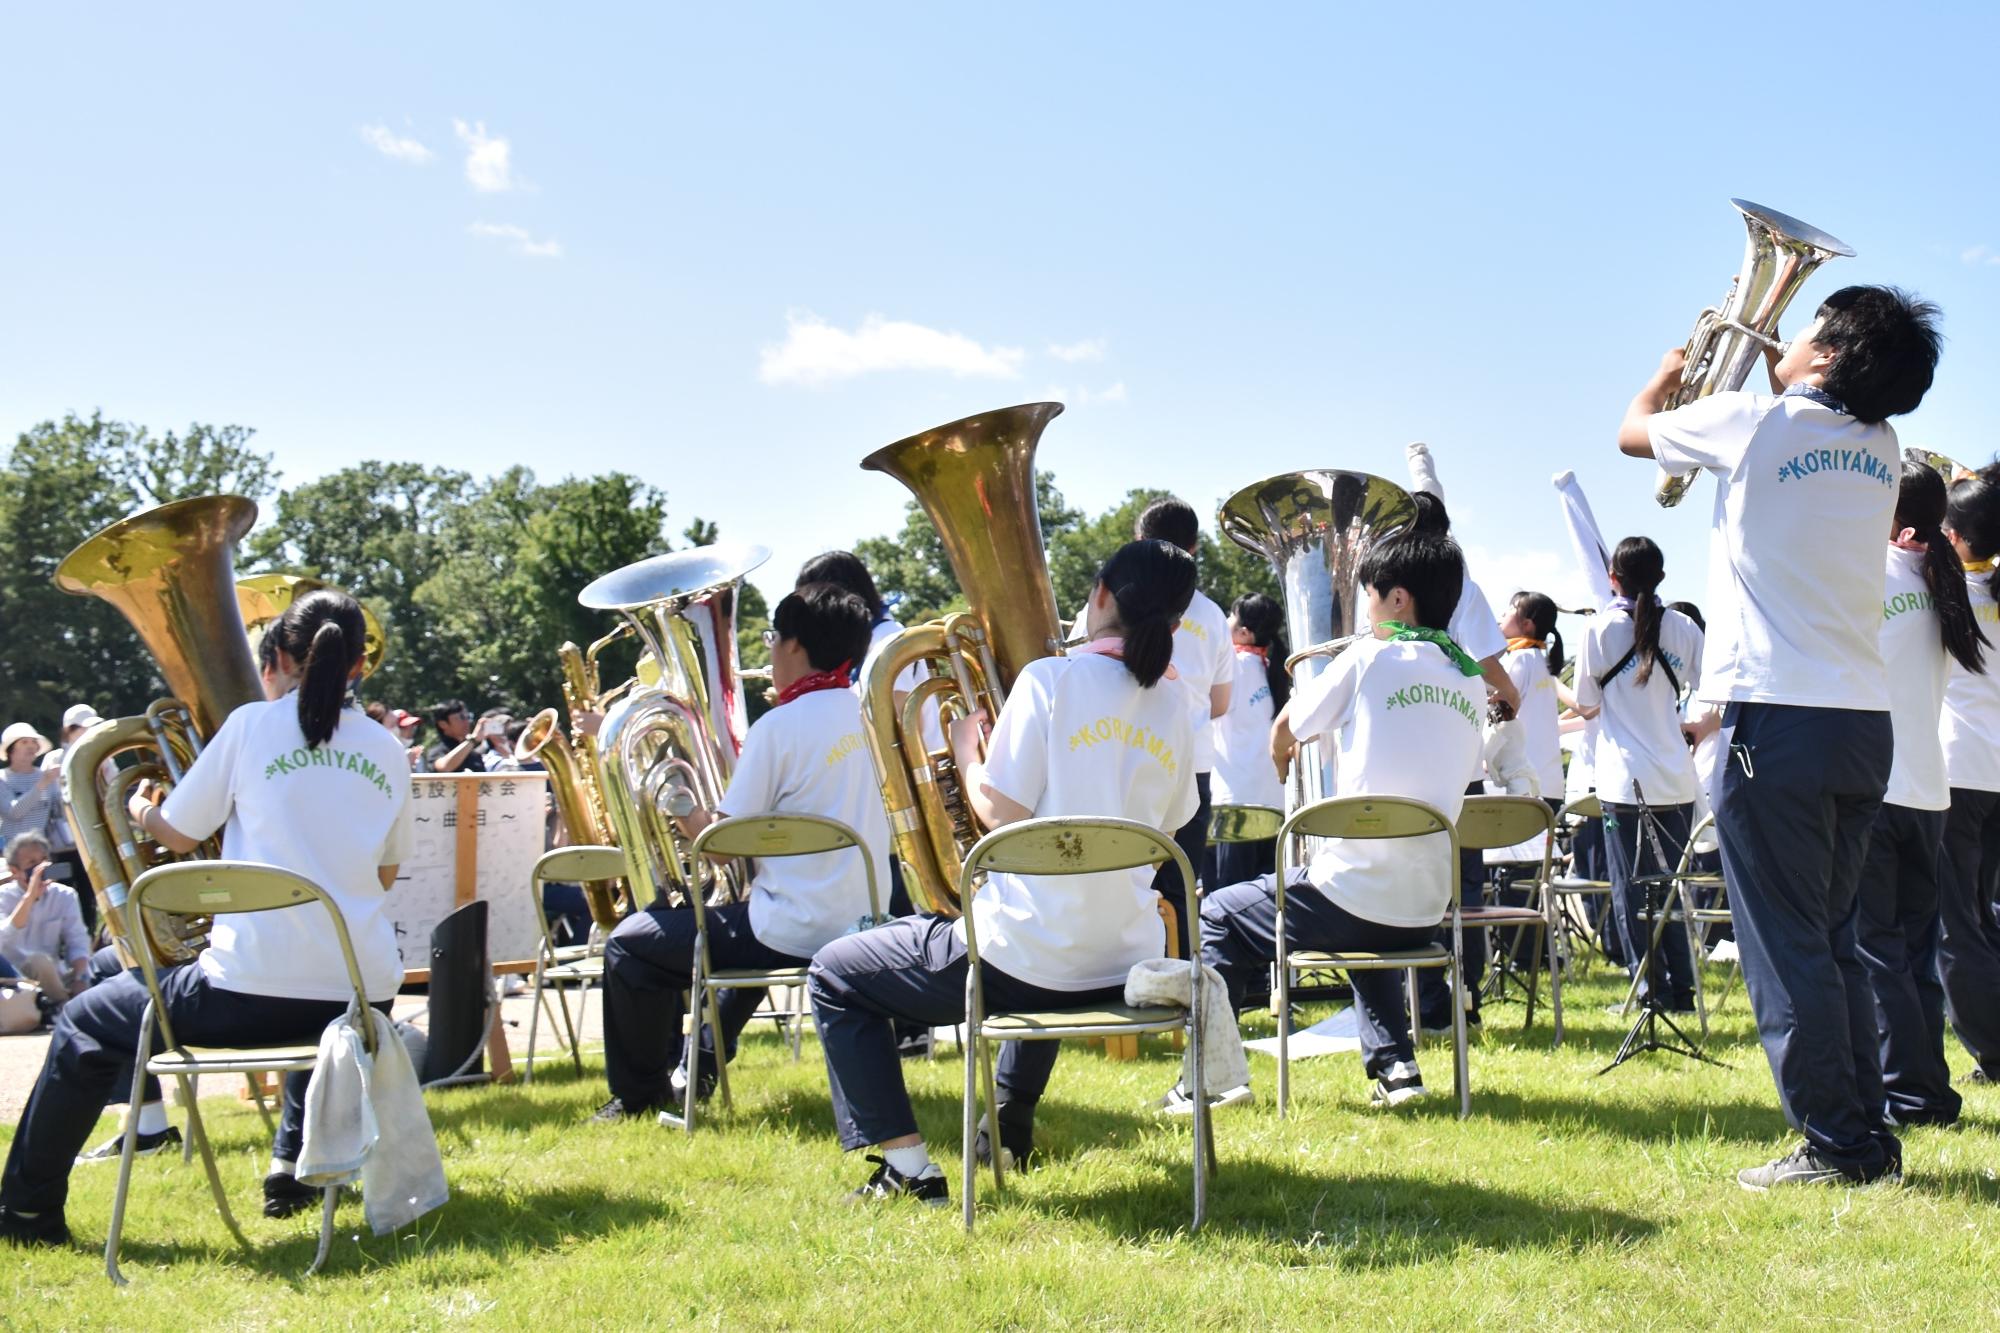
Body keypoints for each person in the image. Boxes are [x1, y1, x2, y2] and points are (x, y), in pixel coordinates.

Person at [1619, 283, 1942, 1191]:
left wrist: (1668, 376)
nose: (1784, 336)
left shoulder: (1751, 423)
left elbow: (1631, 432)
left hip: (1776, 718)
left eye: (1803, 329)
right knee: (1834, 938)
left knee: (1786, 944)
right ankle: (1865, 1134)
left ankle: (1837, 1144)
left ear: (1832, 355)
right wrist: (1772, 371)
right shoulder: (1884, 446)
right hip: (1860, 725)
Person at [0, 589, 414, 1247]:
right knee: (306, 957)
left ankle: (24, 1213)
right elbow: (384, 876)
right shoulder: (390, 749)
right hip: (363, 997)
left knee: (82, 1018)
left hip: (249, 995)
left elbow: (179, 834)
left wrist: (139, 809)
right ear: (358, 667)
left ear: (274, 657)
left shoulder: (250, 725)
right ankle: (295, 1169)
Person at [808, 538, 1198, 1204]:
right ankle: (1008, 1129)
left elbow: (997, 810)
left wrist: (966, 755)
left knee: (836, 973)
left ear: (1100, 594)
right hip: (1126, 959)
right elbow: (1172, 819)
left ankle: (905, 1169)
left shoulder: (1051, 680)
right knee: (1041, 927)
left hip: (1027, 963)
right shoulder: (1177, 703)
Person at [1191, 530, 1485, 1108]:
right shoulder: (1470, 678)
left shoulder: (1370, 655)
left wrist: (1281, 762)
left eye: (1367, 596)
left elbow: (1284, 730)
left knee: (1217, 914)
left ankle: (1213, 1076)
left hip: (1358, 899)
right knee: (1359, 903)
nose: (1364, 610)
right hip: (1426, 908)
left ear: (1398, 600)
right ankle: (1397, 1068)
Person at [590, 582, 889, 1123]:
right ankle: (691, 1067)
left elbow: (721, 850)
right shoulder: (873, 714)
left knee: (632, 944)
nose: (769, 651)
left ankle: (642, 1096)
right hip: (866, 919)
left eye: (773, 638)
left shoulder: (779, 727)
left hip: (791, 929)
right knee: (666, 930)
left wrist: (673, 794)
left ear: (795, 646)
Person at [1859, 462, 1988, 1128]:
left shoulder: (1874, 573)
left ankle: (1908, 1092)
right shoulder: (1945, 582)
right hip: (1929, 792)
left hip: (1880, 789)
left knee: (1880, 950)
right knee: (1916, 953)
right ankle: (1929, 1091)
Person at [1572, 538, 1704, 1012]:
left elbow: (1588, 703)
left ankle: (1650, 990)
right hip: (1676, 776)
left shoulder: (1599, 629)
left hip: (1623, 779)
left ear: (1613, 578)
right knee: (1668, 887)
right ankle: (1683, 991)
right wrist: (1691, 728)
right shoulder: (1686, 627)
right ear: (1661, 577)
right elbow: (1711, 694)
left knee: (1631, 891)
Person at [1133, 498, 1233, 959]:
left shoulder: (1118, 600)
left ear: (1138, 543)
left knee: (1123, 876)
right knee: (1181, 884)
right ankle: (1182, 989)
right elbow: (1221, 702)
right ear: (1194, 547)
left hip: (1126, 759)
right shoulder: (1213, 615)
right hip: (1192, 765)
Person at [1936, 463, 2000, 1087]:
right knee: (1985, 915)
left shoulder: (1946, 595)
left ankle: (1993, 1050)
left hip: (1958, 772)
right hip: (1997, 775)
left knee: (1960, 925)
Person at [1208, 593, 1289, 885]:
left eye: (1231, 614)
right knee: (1260, 901)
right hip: (1272, 804)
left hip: (1236, 804)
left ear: (1244, 632)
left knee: (1225, 902)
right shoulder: (1269, 669)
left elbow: (1200, 708)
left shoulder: (1233, 667)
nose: (1226, 621)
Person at [0, 832, 92, 1006]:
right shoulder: (3, 897)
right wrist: (29, 897)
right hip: (16, 979)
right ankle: (63, 1005)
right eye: (32, 863)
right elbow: (4, 939)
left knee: (98, 965)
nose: (41, 868)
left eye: (43, 860)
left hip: (55, 976)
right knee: (39, 961)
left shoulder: (64, 895)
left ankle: (66, 1002)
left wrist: (80, 977)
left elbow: (77, 940)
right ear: (15, 871)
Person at [37, 705, 103, 910]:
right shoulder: (53, 759)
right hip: (59, 843)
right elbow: (43, 801)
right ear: (70, 730)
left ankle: (89, 936)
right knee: (61, 888)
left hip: (91, 838)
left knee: (91, 892)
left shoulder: (102, 756)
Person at [1, 723, 61, 853]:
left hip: (42, 851)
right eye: (24, 742)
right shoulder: (2, 779)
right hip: (11, 853)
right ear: (11, 750)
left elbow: (57, 811)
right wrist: (41, 785)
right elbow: (14, 813)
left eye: (34, 741)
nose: (31, 746)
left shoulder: (46, 776)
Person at [425, 699, 488, 774]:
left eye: (467, 717)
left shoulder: (473, 755)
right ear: (443, 724)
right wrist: (473, 740)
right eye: (461, 717)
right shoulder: (437, 751)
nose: (466, 721)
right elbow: (444, 767)